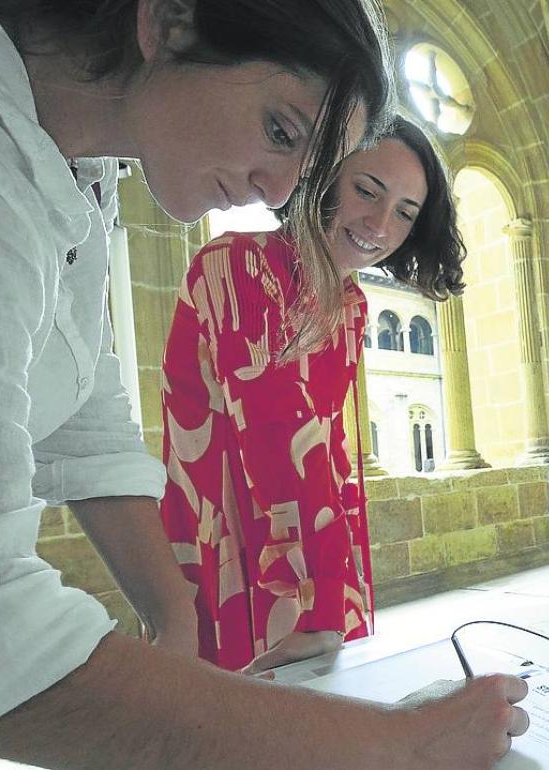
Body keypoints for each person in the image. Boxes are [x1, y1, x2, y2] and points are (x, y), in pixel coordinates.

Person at [0, 1, 527, 768]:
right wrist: (398, 745)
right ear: (170, 21)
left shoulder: (81, 170)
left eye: (302, 168)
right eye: (279, 130)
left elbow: (83, 410)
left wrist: (173, 616)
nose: (275, 194)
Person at [160, 117, 462, 675]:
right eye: (366, 191)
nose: (379, 224)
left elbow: (333, 449)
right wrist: (323, 603)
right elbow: (280, 441)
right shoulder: (238, 266)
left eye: (404, 212)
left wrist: (342, 588)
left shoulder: (349, 304)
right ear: (324, 176)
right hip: (235, 547)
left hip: (305, 562)